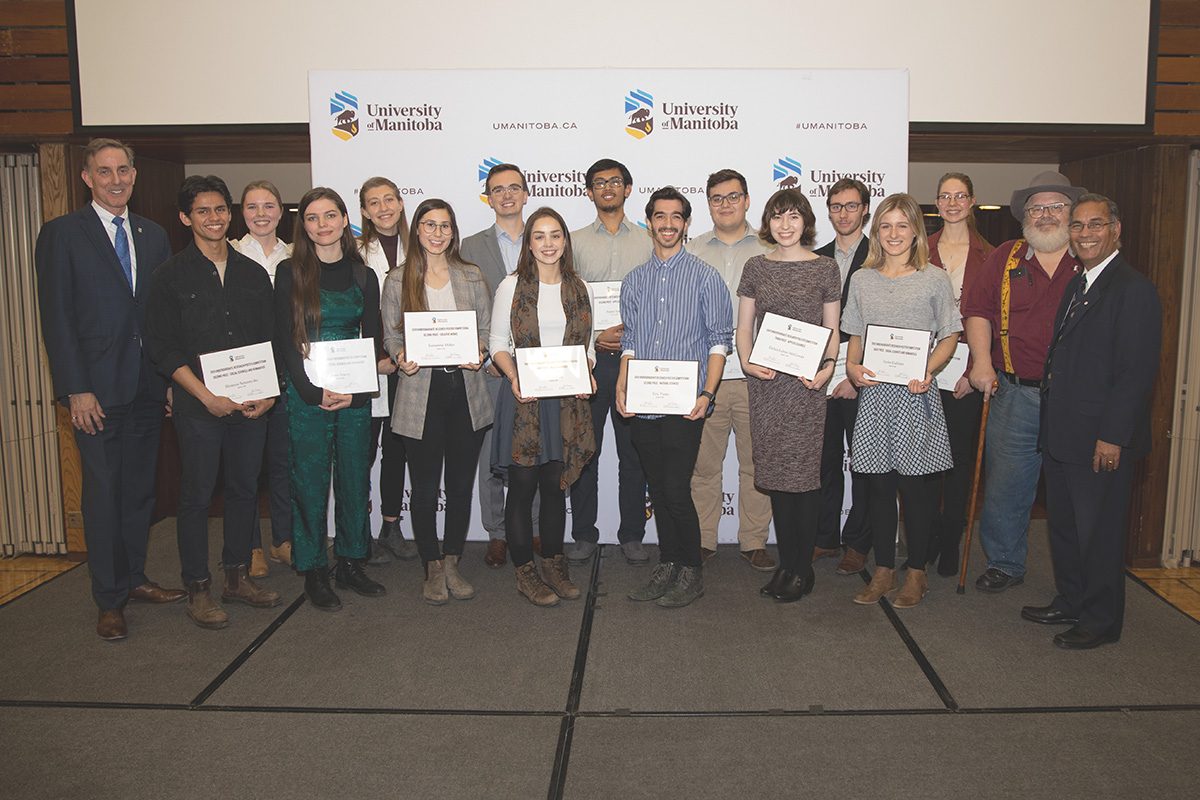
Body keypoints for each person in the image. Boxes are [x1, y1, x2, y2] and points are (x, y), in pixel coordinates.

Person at [35, 138, 184, 641]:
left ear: (135, 176)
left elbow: (161, 318)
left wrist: (167, 382)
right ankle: (109, 599)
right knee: (103, 494)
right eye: (105, 172)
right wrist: (76, 388)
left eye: (123, 170)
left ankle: (135, 578)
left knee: (140, 492)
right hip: (94, 395)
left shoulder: (153, 234)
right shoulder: (61, 235)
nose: (116, 179)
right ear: (86, 178)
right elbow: (56, 319)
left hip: (146, 388)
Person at [1024, 194, 1161, 649]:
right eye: (1078, 226)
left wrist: (1112, 437)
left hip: (1100, 441)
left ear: (1116, 230)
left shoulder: (1132, 289)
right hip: (1064, 434)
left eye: (1095, 225)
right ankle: (1071, 599)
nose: (1085, 234)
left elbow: (1135, 374)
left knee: (1098, 533)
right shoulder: (1077, 282)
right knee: (1064, 526)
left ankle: (1101, 621)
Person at [146, 175, 281, 628]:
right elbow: (162, 347)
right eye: (202, 211)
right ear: (186, 218)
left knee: (245, 490)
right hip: (198, 407)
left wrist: (268, 392)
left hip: (250, 407)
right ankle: (198, 587)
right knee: (197, 497)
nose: (214, 218)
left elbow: (272, 339)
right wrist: (205, 396)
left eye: (221, 209)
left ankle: (236, 576)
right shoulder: (169, 276)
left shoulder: (252, 273)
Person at [961, 171, 1084, 593]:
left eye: (1055, 207)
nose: (1046, 215)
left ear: (1071, 214)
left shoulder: (1090, 259)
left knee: (1075, 490)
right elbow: (977, 310)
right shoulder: (1006, 258)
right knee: (1006, 486)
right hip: (1015, 393)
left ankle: (1080, 570)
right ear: (1024, 217)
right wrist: (980, 362)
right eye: (1037, 208)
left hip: (1075, 400)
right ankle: (1005, 563)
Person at [842, 193, 961, 608]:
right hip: (875, 397)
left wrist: (928, 370)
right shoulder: (861, 278)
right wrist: (852, 368)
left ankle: (917, 573)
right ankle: (883, 570)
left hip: (915, 397)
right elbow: (855, 333)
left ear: (916, 231)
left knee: (916, 493)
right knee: (877, 490)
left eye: (902, 225)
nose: (894, 234)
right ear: (876, 231)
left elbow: (950, 334)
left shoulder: (933, 278)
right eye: (886, 226)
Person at [616, 187, 733, 608]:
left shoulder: (706, 277)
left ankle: (691, 571)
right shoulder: (634, 280)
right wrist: (622, 384)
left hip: (687, 405)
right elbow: (629, 340)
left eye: (676, 217)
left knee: (676, 488)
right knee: (658, 489)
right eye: (659, 216)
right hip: (645, 404)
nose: (667, 224)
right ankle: (668, 563)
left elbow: (720, 342)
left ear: (686, 224)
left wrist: (707, 393)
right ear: (649, 222)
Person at [274, 187, 387, 612]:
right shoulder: (290, 272)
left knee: (355, 478)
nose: (322, 225)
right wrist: (310, 391)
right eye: (312, 218)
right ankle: (314, 568)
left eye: (330, 216)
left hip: (355, 392)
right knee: (310, 481)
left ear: (345, 220)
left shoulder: (364, 276)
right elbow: (283, 337)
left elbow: (372, 339)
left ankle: (352, 560)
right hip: (307, 394)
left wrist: (357, 390)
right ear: (303, 226)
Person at [382, 199, 494, 605]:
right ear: (417, 229)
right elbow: (392, 337)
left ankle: (452, 561)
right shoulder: (398, 279)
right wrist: (399, 357)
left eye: (445, 226)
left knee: (461, 485)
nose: (437, 233)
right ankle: (430, 565)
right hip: (420, 393)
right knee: (426, 488)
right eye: (429, 225)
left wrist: (479, 350)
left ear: (453, 231)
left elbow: (485, 329)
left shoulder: (471, 275)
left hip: (465, 391)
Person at [737, 189, 841, 602]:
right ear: (768, 222)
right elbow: (745, 326)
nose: (785, 225)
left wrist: (828, 368)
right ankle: (787, 564)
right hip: (766, 385)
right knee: (777, 480)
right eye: (778, 217)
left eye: (794, 217)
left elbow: (832, 330)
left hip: (806, 387)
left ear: (806, 222)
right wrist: (746, 361)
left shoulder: (825, 269)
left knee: (804, 479)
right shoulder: (755, 267)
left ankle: (802, 568)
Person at [489, 207, 597, 606]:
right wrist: (514, 376)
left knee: (555, 487)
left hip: (565, 403)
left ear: (565, 241)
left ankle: (553, 562)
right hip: (525, 400)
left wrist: (588, 371)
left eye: (555, 235)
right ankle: (526, 573)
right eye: (539, 236)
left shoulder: (578, 286)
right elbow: (497, 344)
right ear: (529, 243)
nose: (548, 243)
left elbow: (587, 347)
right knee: (522, 489)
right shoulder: (512, 286)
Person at [685, 169, 774, 571]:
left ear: (747, 200)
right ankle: (703, 539)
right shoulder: (691, 250)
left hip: (759, 377)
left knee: (757, 466)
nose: (725, 204)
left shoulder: (772, 248)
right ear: (708, 204)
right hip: (707, 379)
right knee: (704, 466)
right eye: (717, 198)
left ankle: (753, 541)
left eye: (733, 196)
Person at [568, 158, 653, 565]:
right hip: (591, 360)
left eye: (615, 182)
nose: (607, 188)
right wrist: (592, 337)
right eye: (599, 183)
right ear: (588, 191)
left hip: (637, 361)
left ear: (628, 188)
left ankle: (632, 533)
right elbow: (567, 303)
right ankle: (584, 533)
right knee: (586, 451)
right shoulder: (574, 241)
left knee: (633, 455)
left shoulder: (649, 239)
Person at [460, 163, 538, 569]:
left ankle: (536, 527)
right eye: (497, 189)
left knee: (537, 450)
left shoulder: (546, 238)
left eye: (513, 188)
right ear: (488, 197)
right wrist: (487, 355)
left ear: (526, 194)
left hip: (539, 366)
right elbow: (463, 308)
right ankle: (496, 533)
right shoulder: (470, 247)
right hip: (489, 370)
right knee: (490, 455)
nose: (506, 195)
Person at [925, 173, 993, 576]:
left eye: (960, 196)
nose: (952, 203)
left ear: (972, 201)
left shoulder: (992, 253)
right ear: (936, 202)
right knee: (926, 460)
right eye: (945, 196)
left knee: (959, 462)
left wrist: (973, 369)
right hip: (922, 368)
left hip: (966, 373)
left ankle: (951, 538)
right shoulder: (921, 248)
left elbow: (994, 320)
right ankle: (928, 536)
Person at [230, 179, 294, 578]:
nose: (260, 214)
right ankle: (250, 545)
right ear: (242, 213)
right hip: (245, 375)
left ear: (280, 212)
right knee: (246, 466)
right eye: (252, 207)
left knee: (283, 462)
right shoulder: (231, 255)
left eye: (268, 206)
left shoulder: (295, 256)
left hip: (286, 371)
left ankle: (283, 539)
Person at [814, 179, 874, 577]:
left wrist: (853, 375)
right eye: (836, 206)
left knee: (865, 466)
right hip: (817, 378)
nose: (843, 213)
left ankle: (858, 544)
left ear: (865, 210)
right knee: (824, 461)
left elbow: (884, 323)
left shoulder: (883, 255)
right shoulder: (814, 258)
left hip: (862, 379)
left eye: (851, 206)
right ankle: (824, 537)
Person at [356, 176, 417, 564]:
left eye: (389, 199)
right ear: (364, 211)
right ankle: (356, 530)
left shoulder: (423, 245)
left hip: (410, 364)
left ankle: (391, 526)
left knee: (397, 449)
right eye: (374, 202)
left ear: (400, 202)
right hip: (367, 363)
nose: (383, 208)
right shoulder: (354, 251)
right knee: (360, 450)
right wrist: (374, 358)